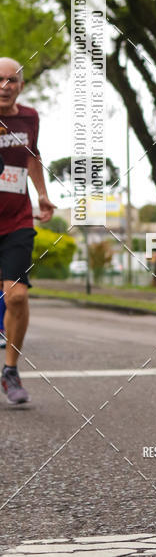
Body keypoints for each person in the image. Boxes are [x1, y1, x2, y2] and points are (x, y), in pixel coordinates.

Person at [0, 58, 55, 404]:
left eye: (12, 80)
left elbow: (33, 156)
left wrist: (43, 195)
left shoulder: (29, 117)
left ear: (21, 86)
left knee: (16, 295)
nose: (5, 86)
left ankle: (10, 371)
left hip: (17, 219)